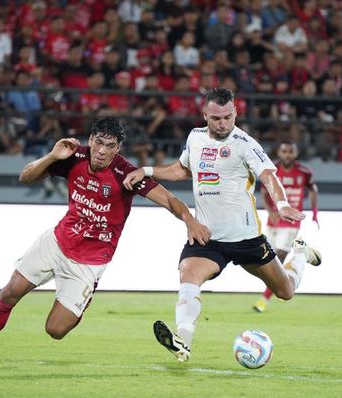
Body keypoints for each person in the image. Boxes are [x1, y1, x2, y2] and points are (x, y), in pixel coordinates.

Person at [0, 117, 210, 365]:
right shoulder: (73, 156)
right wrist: (52, 156)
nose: (101, 151)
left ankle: (82, 299)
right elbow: (26, 177)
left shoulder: (125, 172)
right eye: (98, 142)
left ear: (118, 149)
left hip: (88, 262)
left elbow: (169, 200)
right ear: (90, 140)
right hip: (57, 242)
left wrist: (190, 220)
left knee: (55, 329)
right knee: (9, 292)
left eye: (109, 146)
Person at [123, 87, 322, 362]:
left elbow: (268, 176)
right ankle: (183, 342)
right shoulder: (195, 138)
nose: (222, 124)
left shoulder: (245, 143)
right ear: (205, 115)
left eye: (227, 117)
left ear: (235, 113)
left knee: (285, 291)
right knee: (188, 276)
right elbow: (181, 170)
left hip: (246, 239)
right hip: (208, 237)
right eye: (216, 118)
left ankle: (300, 252)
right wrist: (145, 171)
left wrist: (283, 203)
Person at [252, 141, 319, 313]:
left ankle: (264, 300)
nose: (287, 154)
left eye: (291, 151)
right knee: (267, 262)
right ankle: (302, 255)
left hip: (292, 221)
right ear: (279, 153)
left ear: (295, 153)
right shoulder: (271, 170)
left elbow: (313, 190)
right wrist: (270, 212)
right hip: (273, 221)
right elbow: (264, 191)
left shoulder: (304, 172)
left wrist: (315, 213)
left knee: (279, 257)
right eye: (284, 151)